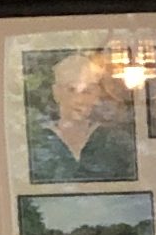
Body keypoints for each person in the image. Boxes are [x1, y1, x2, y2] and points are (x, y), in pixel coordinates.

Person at [25, 51, 137, 184]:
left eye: (87, 91)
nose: (79, 100)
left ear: (96, 95)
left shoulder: (114, 141)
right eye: (71, 90)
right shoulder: (37, 140)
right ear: (56, 93)